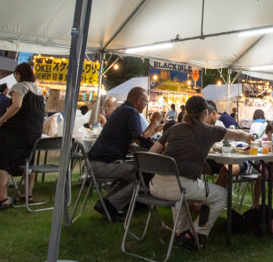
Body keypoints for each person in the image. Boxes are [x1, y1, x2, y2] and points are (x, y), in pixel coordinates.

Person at [148, 95, 253, 250]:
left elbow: (150, 154)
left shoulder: (173, 129)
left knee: (185, 190)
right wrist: (248, 136)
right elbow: (237, 134)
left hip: (155, 185)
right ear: (205, 113)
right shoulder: (209, 131)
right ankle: (196, 233)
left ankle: (181, 231)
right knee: (221, 195)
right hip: (179, 188)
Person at [86, 87, 163, 220]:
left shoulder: (122, 110)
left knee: (135, 173)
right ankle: (110, 206)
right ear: (139, 100)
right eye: (146, 101)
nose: (146, 104)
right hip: (103, 164)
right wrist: (154, 121)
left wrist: (154, 129)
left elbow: (138, 137)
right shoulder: (131, 112)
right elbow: (140, 140)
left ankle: (107, 203)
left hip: (95, 162)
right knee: (144, 175)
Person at [0, 63, 46, 212]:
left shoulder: (20, 87)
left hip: (18, 132)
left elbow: (17, 105)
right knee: (29, 162)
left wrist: (1, 120)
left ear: (18, 74)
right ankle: (27, 194)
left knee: (1, 159)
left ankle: (2, 197)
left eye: (16, 75)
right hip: (34, 133)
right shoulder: (39, 90)